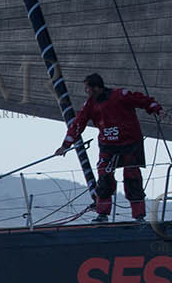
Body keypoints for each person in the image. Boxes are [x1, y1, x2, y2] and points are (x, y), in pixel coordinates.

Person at [57, 73, 164, 223]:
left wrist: (155, 108)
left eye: (87, 88)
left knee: (132, 177)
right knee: (104, 178)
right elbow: (78, 124)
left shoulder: (120, 95)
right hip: (108, 145)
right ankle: (102, 214)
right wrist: (65, 145)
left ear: (95, 88)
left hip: (130, 143)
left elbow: (140, 99)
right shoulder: (90, 105)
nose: (86, 92)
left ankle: (139, 216)